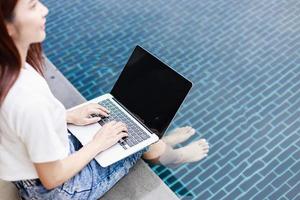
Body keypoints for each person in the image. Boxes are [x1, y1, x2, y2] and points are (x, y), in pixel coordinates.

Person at [0, 0, 209, 199]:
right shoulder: (27, 100)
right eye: (33, 6)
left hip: (30, 169)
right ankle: (173, 156)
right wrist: (98, 143)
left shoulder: (9, 70)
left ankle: (158, 144)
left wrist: (65, 116)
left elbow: (18, 125)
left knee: (131, 128)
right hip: (61, 190)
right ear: (6, 25)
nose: (44, 9)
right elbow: (52, 178)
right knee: (142, 135)